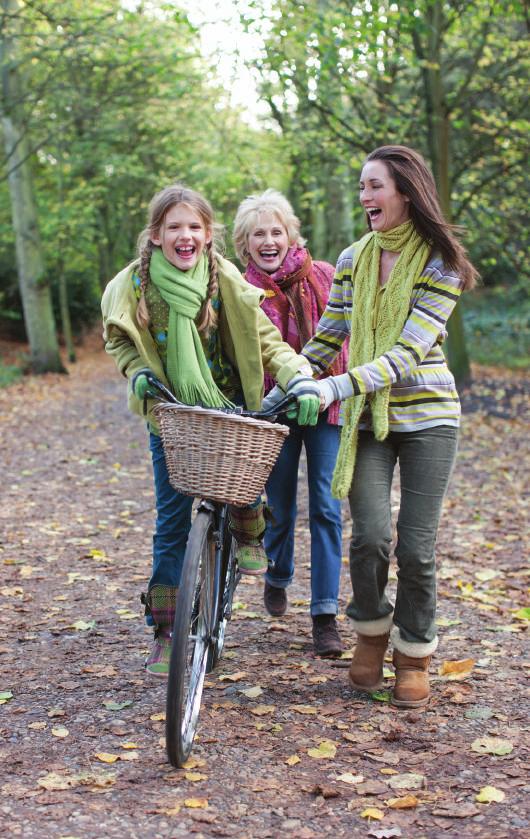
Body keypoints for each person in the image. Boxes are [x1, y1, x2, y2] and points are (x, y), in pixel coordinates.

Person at [282, 145, 478, 707]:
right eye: (362, 187)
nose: (365, 197)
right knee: (368, 537)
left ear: (406, 192)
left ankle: (413, 651)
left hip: (429, 418)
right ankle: (371, 632)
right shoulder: (352, 259)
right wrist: (292, 379)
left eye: (375, 187)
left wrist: (335, 387)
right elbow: (328, 336)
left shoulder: (442, 264)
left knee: (416, 548)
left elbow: (406, 354)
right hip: (369, 420)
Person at [101, 184, 321, 676]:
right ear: (156, 235)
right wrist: (137, 371)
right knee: (171, 525)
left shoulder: (225, 280)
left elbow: (267, 342)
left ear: (208, 234)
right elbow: (119, 339)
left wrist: (299, 376)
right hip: (173, 412)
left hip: (229, 407)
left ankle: (248, 526)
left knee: (242, 477)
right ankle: (166, 630)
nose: (185, 235)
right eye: (174, 227)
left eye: (194, 227)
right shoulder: (132, 285)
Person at [233, 189, 349, 657]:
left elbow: (343, 341)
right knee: (277, 505)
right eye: (258, 233)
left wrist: (321, 388)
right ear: (245, 242)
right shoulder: (239, 291)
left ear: (291, 235)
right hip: (273, 408)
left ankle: (324, 615)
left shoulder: (323, 276)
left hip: (325, 406)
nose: (268, 240)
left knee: (326, 505)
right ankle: (278, 573)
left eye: (276, 231)